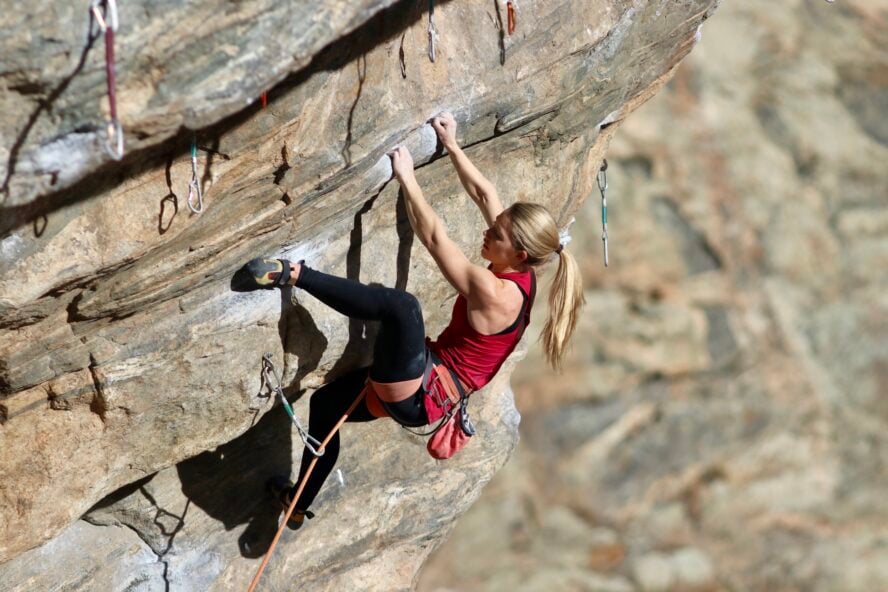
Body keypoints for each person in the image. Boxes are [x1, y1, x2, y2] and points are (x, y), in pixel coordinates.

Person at [244, 112, 584, 528]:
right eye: (495, 226)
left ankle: (292, 273)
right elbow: (485, 193)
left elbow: (434, 237)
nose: (487, 233)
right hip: (426, 394)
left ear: (519, 255)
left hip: (419, 390)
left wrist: (407, 176)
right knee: (325, 405)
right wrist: (453, 145)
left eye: (496, 236)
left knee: (402, 308)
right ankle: (297, 503)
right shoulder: (522, 272)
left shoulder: (494, 293)